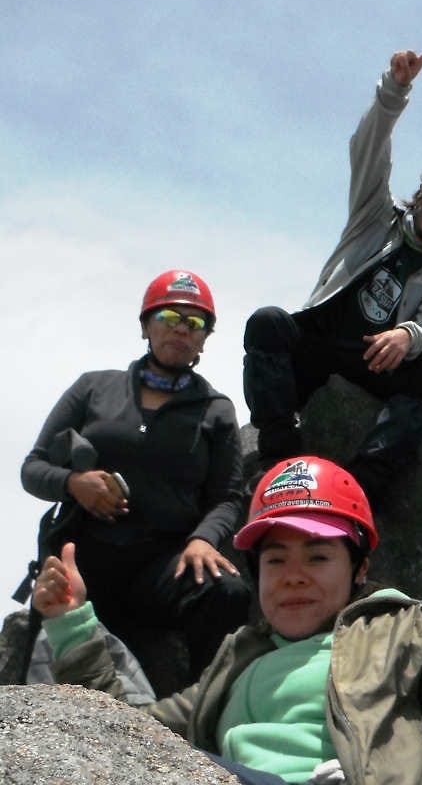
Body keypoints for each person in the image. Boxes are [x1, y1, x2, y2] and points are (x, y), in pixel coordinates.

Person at [32, 455, 422, 785]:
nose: (294, 573)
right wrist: (72, 626)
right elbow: (125, 740)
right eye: (275, 559)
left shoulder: (404, 634)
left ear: (360, 568)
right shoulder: (236, 659)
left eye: (319, 554)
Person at [242, 40, 422, 499]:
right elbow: (368, 150)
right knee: (267, 323)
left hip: (371, 360)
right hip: (320, 339)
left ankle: (364, 486)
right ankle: (276, 457)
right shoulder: (373, 215)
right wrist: (395, 90)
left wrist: (408, 336)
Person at [20, 269, 252, 686]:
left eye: (195, 323)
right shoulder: (93, 389)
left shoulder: (215, 410)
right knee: (42, 642)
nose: (181, 329)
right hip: (86, 558)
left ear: (204, 339)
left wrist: (203, 539)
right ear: (146, 325)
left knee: (227, 593)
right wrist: (75, 484)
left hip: (160, 566)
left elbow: (228, 496)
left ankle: (201, 714)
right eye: (169, 318)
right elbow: (32, 469)